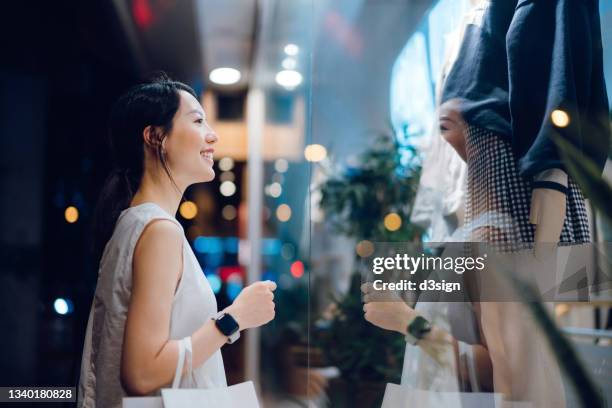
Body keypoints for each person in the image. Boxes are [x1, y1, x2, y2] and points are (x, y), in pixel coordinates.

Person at [77, 74, 276, 407]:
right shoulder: (159, 230)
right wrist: (234, 318)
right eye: (198, 121)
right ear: (156, 137)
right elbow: (141, 373)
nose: (212, 135)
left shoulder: (134, 222)